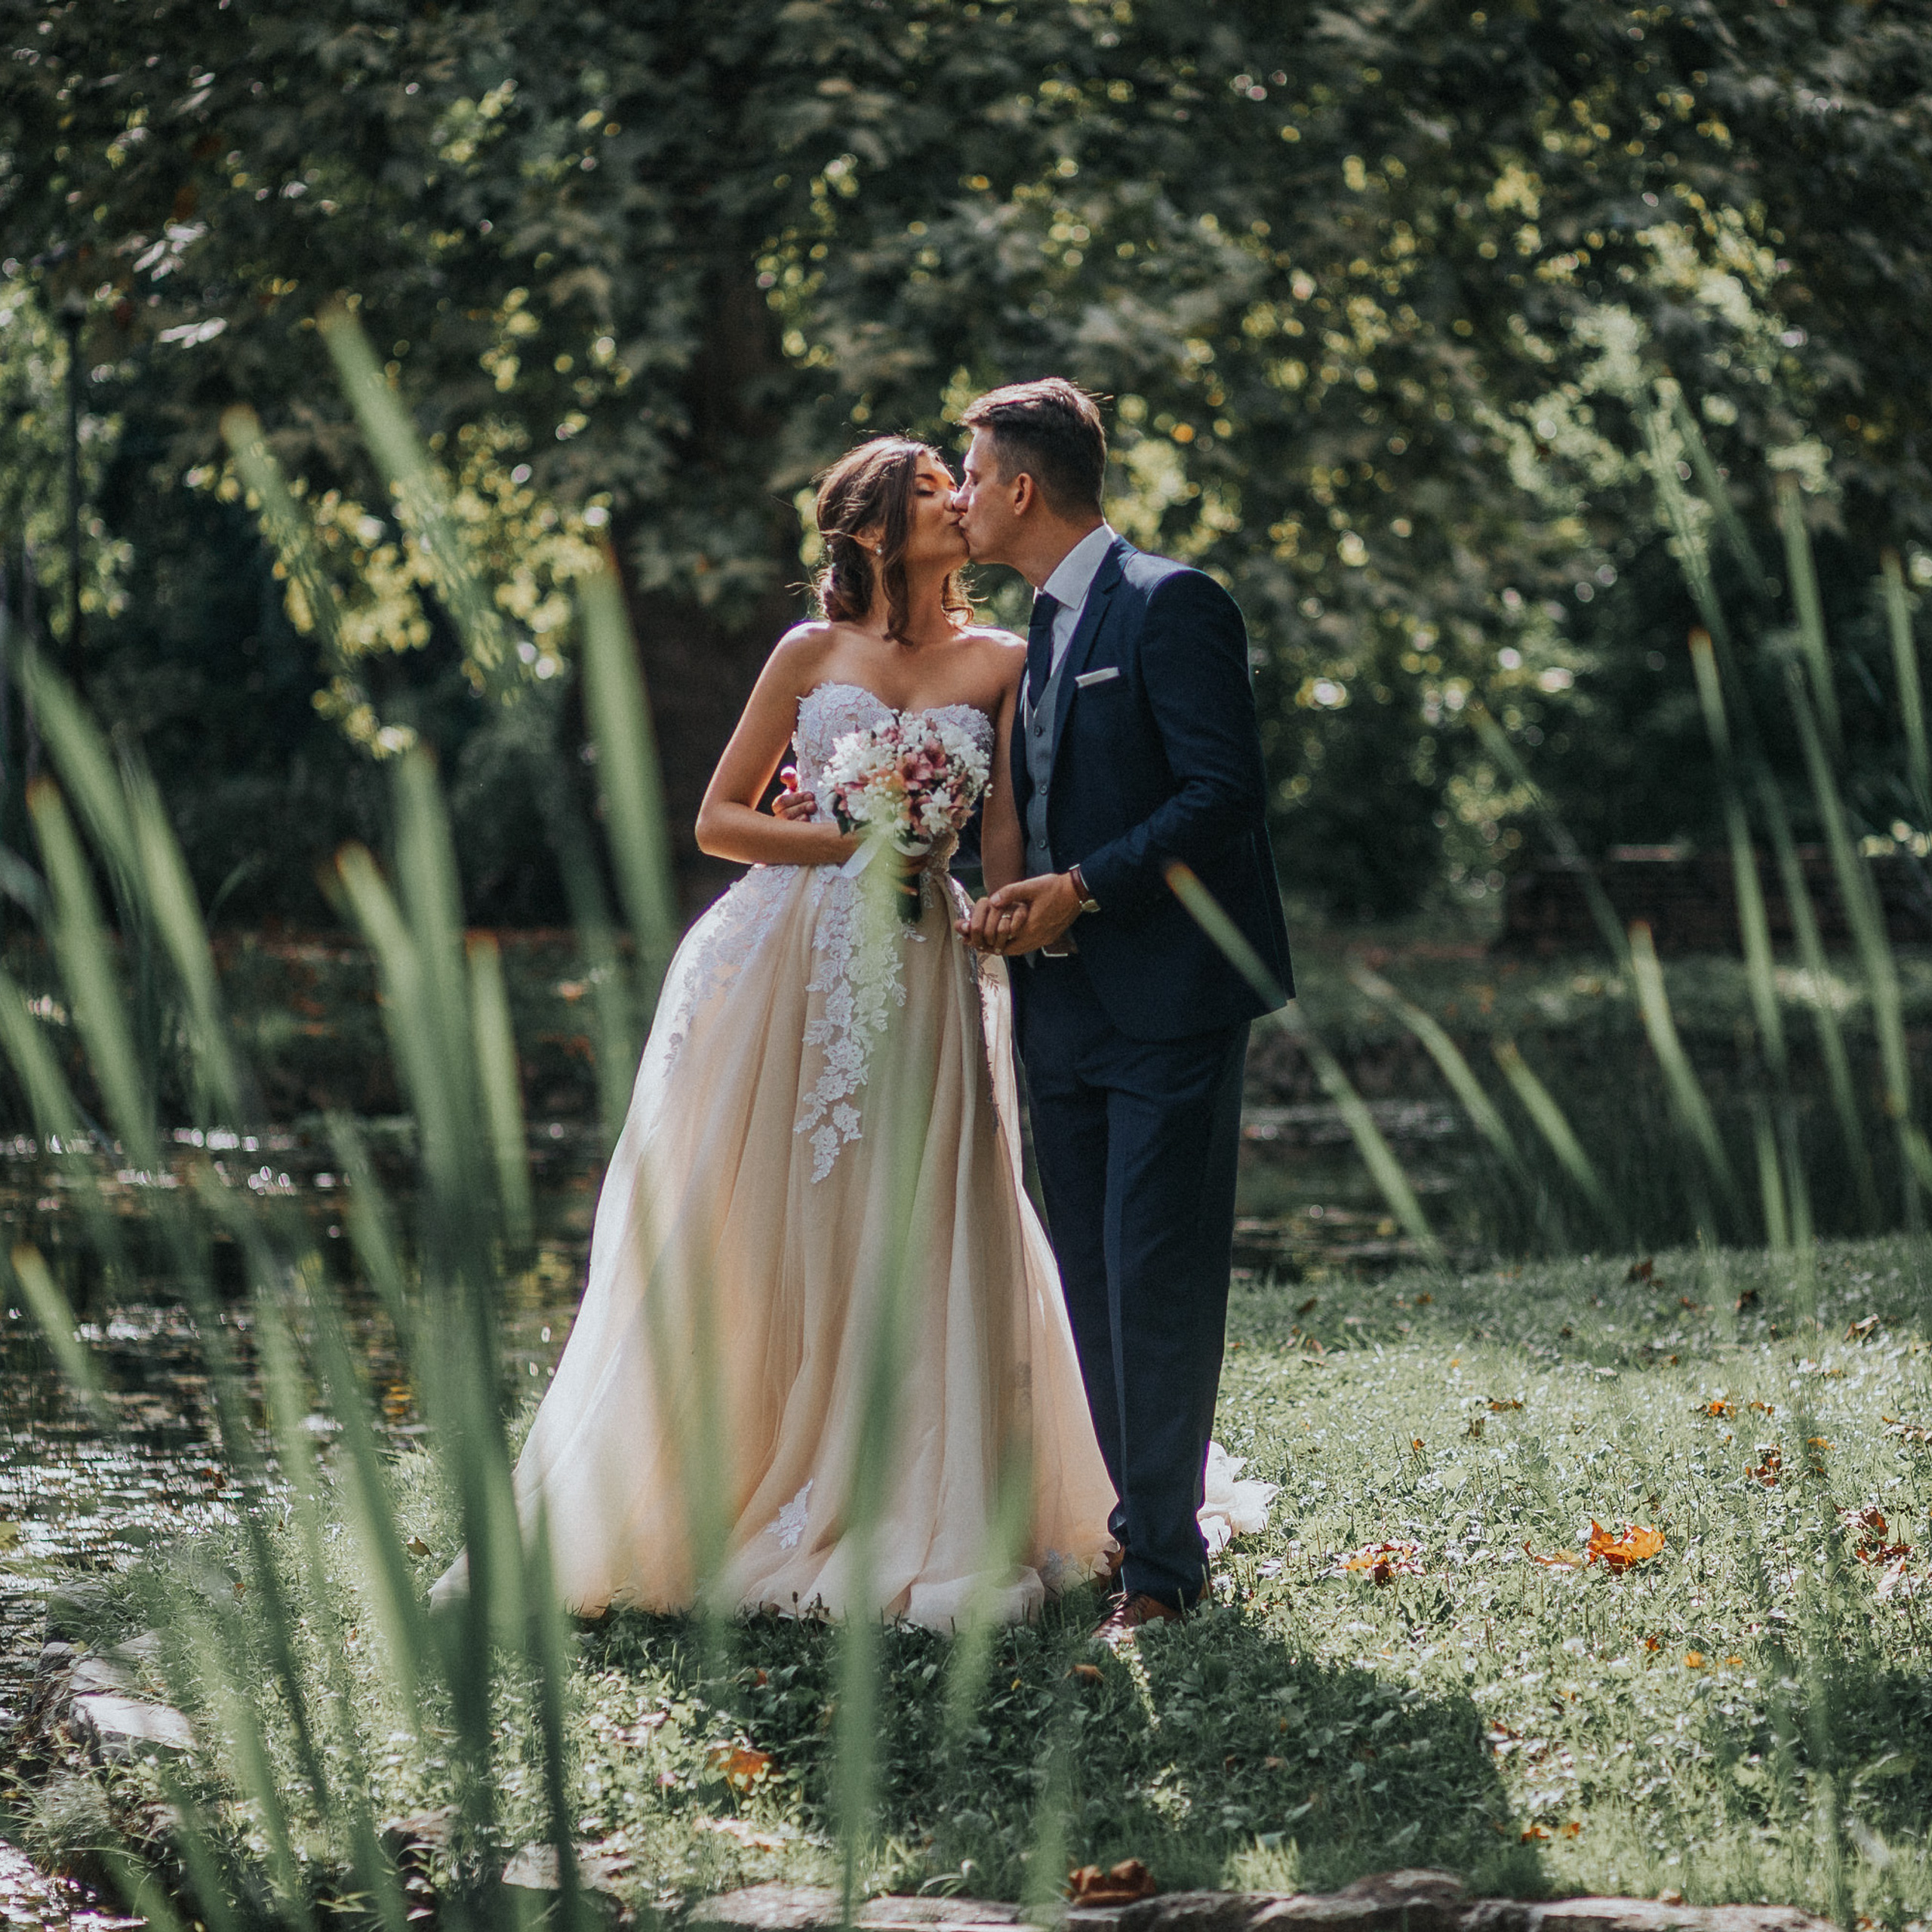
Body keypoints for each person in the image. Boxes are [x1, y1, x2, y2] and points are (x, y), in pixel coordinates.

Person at [432, 437, 1115, 1629]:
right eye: (928, 491)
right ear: (869, 530)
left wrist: (1006, 926)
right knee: (759, 1210)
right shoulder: (810, 652)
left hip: (922, 958)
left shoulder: (1005, 660)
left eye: (959, 484)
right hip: (787, 959)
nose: (958, 498)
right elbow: (718, 819)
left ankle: (911, 1478)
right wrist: (858, 841)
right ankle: (738, 1469)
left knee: (917, 1199)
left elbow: (1003, 826)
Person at [952, 379, 1293, 1642]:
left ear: (1024, 487)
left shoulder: (1172, 603)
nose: (962, 495)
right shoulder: (1030, 636)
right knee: (1093, 1278)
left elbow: (1222, 794)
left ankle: (1162, 1571)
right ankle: (1140, 1529)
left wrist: (1083, 889)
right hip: (1059, 1010)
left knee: (1157, 1270)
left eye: (973, 474)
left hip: (1170, 998)